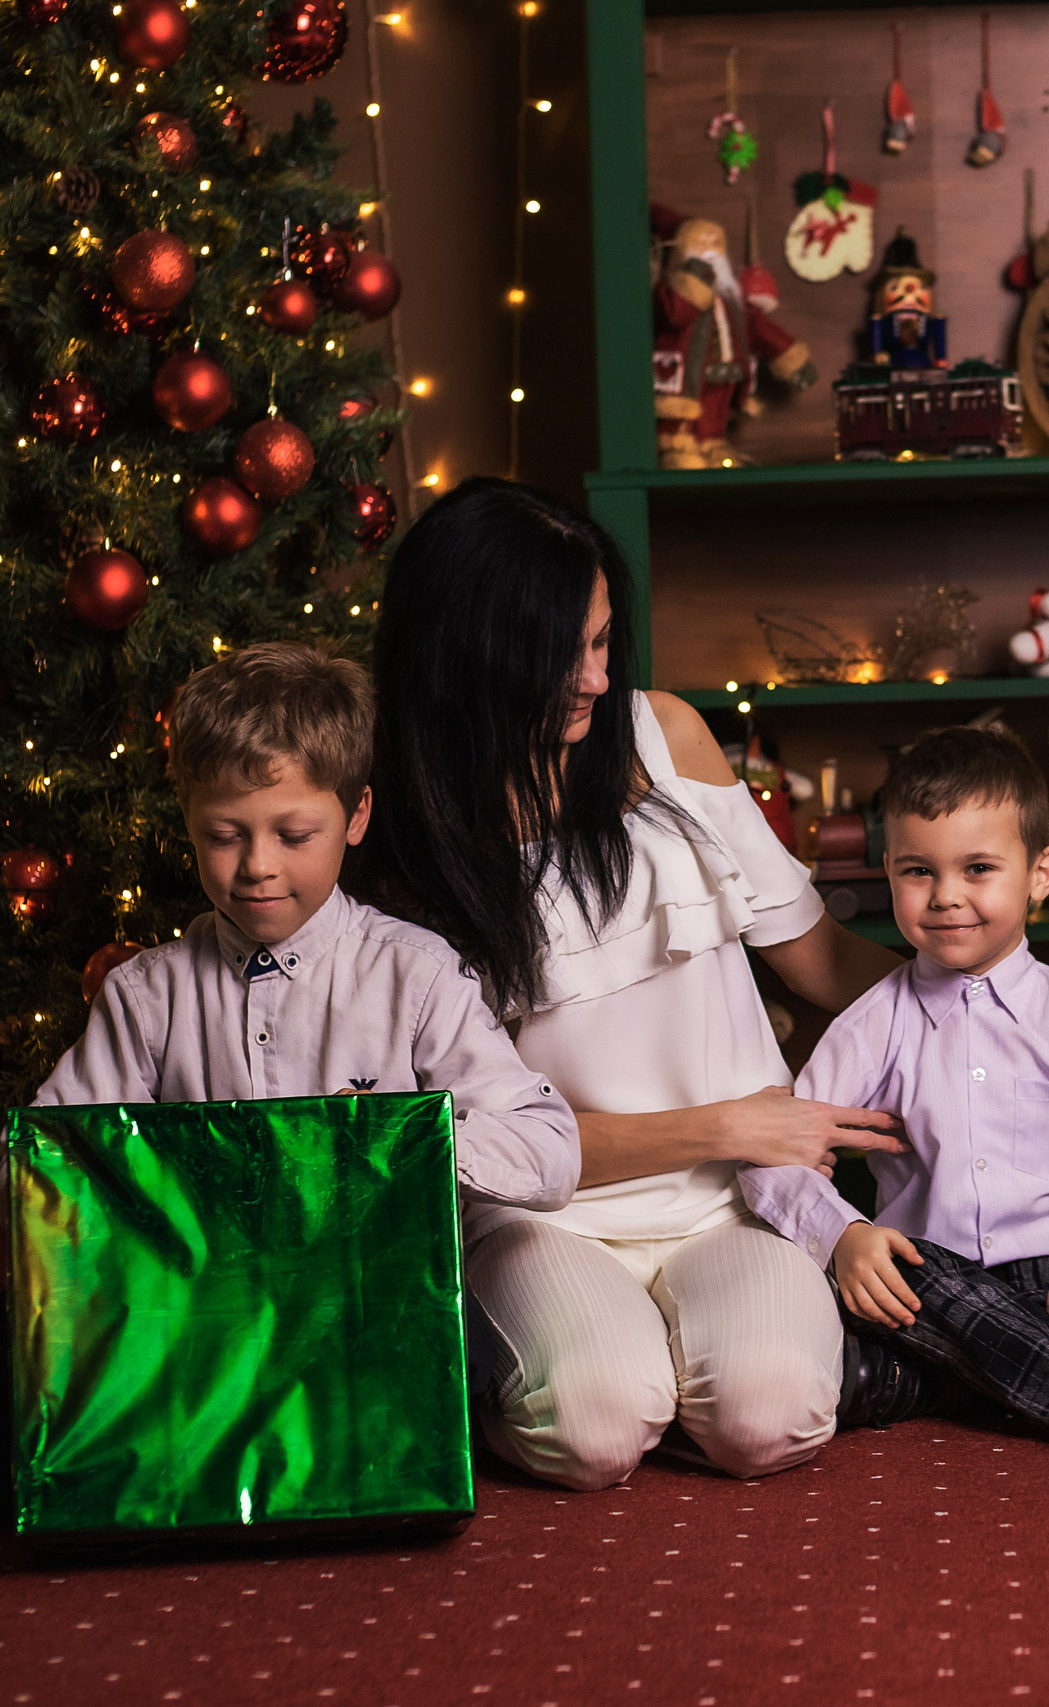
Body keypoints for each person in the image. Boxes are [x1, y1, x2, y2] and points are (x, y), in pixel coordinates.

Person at [0, 643, 579, 1527]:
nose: (257, 865)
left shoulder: (415, 974)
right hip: (191, 1317)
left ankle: (18, 1477)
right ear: (189, 821)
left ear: (356, 815)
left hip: (349, 1314)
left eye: (293, 835)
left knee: (451, 1346)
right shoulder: (147, 994)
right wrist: (131, 1195)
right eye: (225, 835)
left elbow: (551, 1149)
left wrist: (384, 1143)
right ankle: (248, 1469)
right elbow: (39, 1167)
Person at [365, 479, 907, 1493]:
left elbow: (824, 960)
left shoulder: (664, 734)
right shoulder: (404, 852)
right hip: (544, 1218)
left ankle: (684, 1365)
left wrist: (1003, 995)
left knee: (771, 1419)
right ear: (473, 654)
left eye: (604, 640)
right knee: (596, 1429)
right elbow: (473, 1143)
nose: (596, 677)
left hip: (734, 1201)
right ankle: (531, 1368)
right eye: (562, 654)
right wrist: (727, 1124)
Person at [740, 725, 1049, 1454]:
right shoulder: (873, 1024)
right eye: (918, 871)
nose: (946, 896)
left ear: (1040, 873)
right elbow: (776, 1155)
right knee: (911, 1274)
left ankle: (957, 1379)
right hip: (929, 1282)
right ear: (888, 871)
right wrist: (844, 1236)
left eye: (979, 868)